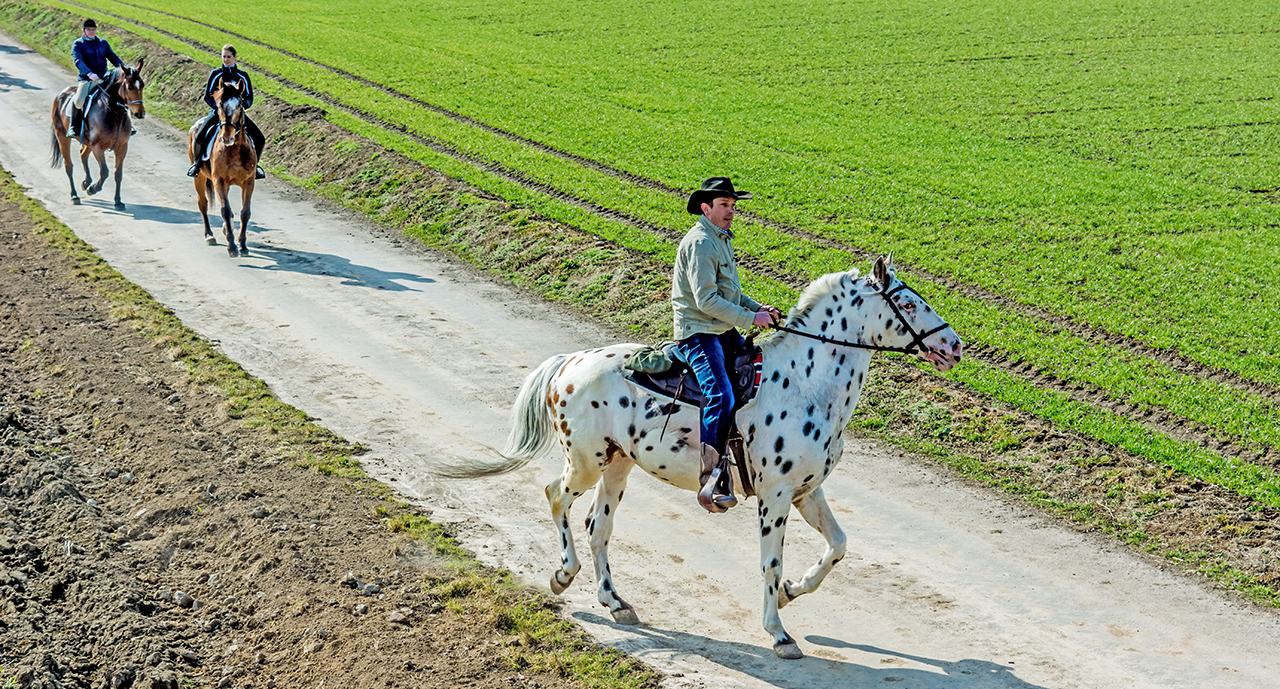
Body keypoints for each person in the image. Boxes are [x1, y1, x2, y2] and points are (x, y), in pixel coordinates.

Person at [671, 177, 783, 513]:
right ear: (706, 208)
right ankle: (712, 479)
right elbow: (706, 301)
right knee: (721, 394)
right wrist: (751, 320)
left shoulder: (720, 239)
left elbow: (729, 293)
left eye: (733, 206)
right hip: (699, 331)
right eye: (724, 205)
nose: (731, 211)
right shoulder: (701, 243)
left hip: (720, 328)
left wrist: (756, 308)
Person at [188, 44, 266, 179]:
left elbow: (249, 97)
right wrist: (218, 108)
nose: (226, 59)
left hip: (236, 115)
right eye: (223, 57)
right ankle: (197, 164)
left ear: (235, 57)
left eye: (228, 57)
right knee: (200, 135)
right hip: (218, 113)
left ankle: (255, 167)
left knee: (260, 138)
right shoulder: (215, 74)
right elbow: (207, 96)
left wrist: (240, 108)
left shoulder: (243, 75)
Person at [69, 18, 123, 139]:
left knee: (120, 95)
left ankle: (126, 125)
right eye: (89, 30)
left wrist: (123, 69)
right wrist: (89, 73)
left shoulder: (103, 43)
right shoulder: (78, 44)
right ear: (84, 31)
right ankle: (73, 126)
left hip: (103, 78)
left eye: (94, 29)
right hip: (87, 79)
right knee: (78, 101)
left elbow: (113, 57)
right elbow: (78, 61)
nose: (92, 32)